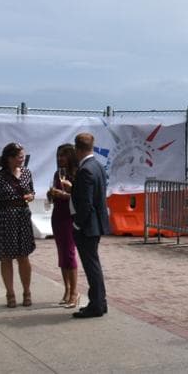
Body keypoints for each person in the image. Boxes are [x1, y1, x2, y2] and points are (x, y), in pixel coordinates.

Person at [0, 142, 36, 307]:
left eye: (23, 156)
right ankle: (10, 293)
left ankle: (27, 292)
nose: (22, 159)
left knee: (23, 256)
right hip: (5, 218)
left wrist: (31, 196)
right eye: (20, 157)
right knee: (6, 257)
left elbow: (31, 191)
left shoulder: (27, 173)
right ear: (10, 158)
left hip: (22, 216)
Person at [71, 132, 110, 318]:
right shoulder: (98, 166)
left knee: (91, 266)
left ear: (77, 149)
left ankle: (96, 304)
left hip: (87, 226)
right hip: (97, 223)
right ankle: (100, 301)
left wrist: (78, 223)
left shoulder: (85, 169)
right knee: (94, 264)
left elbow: (85, 202)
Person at [46, 143, 79, 308]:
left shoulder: (76, 174)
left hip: (69, 217)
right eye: (58, 155)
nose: (60, 159)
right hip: (57, 215)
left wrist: (65, 194)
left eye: (63, 155)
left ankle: (74, 292)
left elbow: (78, 197)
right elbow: (55, 195)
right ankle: (66, 289)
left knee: (69, 254)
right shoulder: (57, 173)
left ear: (71, 157)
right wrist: (51, 194)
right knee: (62, 254)